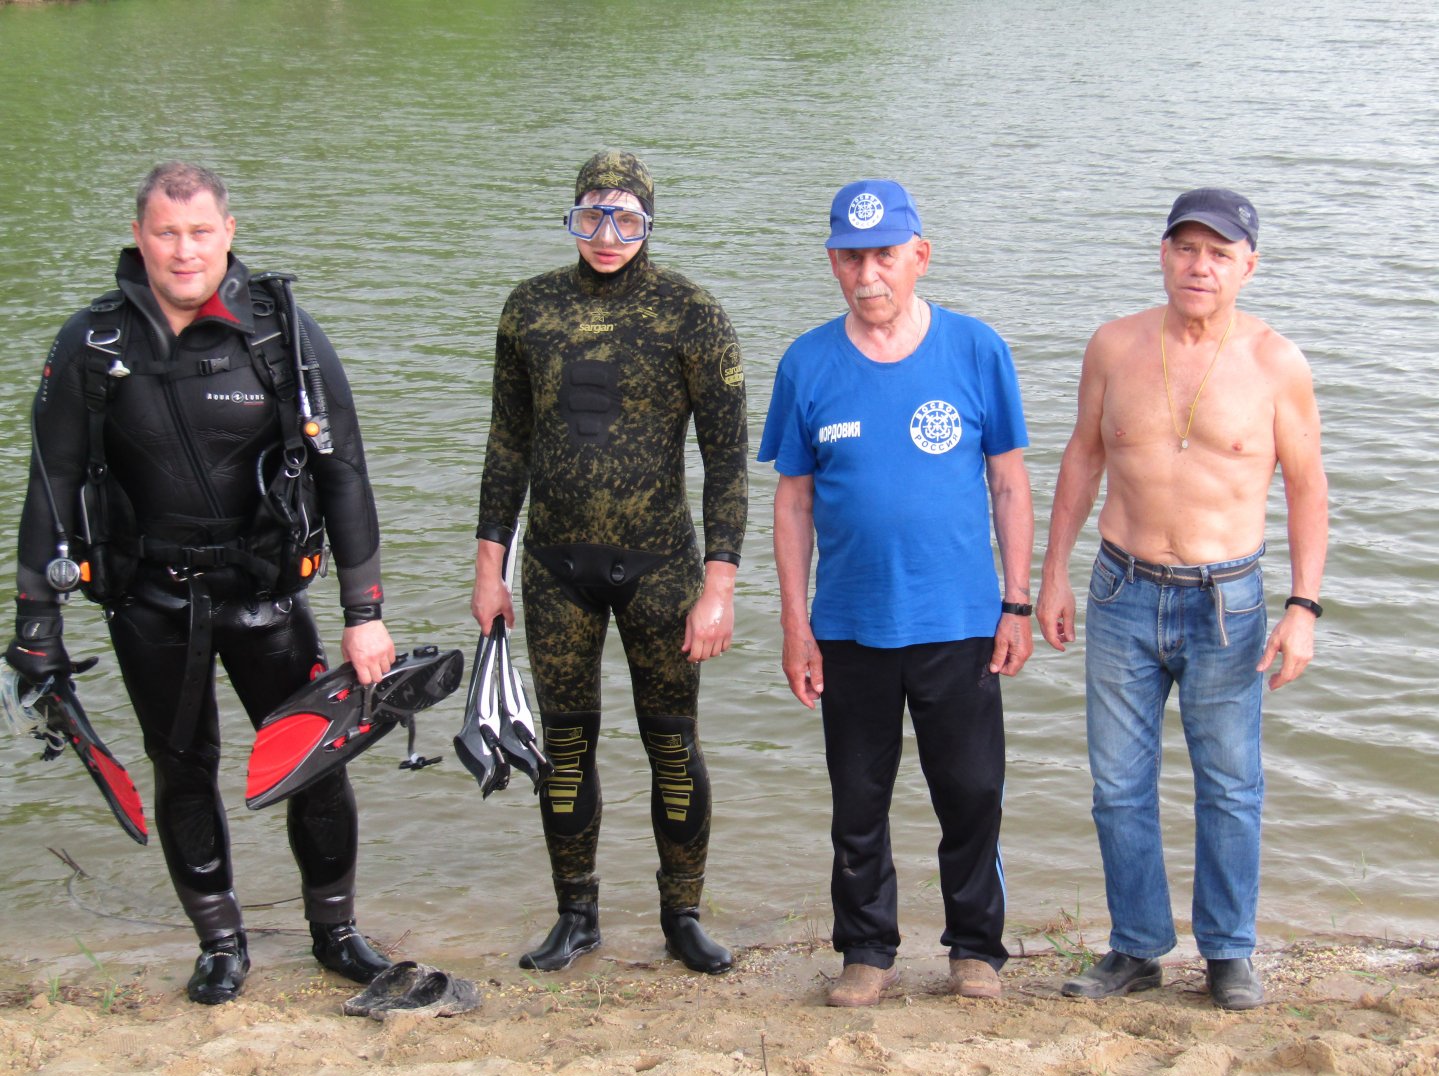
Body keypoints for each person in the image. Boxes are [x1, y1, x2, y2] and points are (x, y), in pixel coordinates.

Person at [5, 162, 398, 1005]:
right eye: (166, 233)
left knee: (315, 765)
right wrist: (35, 625)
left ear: (227, 233)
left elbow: (344, 474)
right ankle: (220, 942)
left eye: (199, 232)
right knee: (182, 769)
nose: (184, 251)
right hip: (148, 600)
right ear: (139, 237)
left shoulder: (282, 333)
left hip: (265, 597)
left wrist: (364, 611)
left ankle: (335, 931)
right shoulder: (91, 343)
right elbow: (51, 482)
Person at [1037, 188, 1328, 1010]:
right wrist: (1051, 574)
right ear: (1163, 253)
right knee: (1116, 786)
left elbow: (1306, 487)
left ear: (1247, 266)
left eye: (1219, 253)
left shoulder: (1274, 362)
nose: (1199, 266)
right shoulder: (1114, 345)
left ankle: (1228, 952)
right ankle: (1135, 947)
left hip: (1225, 601)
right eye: (1185, 248)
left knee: (1230, 785)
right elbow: (1083, 457)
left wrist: (1302, 607)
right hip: (1120, 588)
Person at [471, 150, 748, 975]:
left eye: (625, 218)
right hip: (554, 568)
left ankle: (681, 915)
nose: (605, 234)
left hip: (661, 568)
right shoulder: (529, 308)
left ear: (648, 223)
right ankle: (576, 914)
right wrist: (488, 569)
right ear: (572, 215)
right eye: (591, 214)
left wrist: (719, 587)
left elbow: (727, 461)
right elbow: (505, 446)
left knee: (672, 744)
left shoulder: (691, 313)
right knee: (565, 747)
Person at [759, 179, 1034, 1007]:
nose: (867, 273)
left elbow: (1009, 484)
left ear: (920, 255)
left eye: (884, 254)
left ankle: (975, 948)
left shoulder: (975, 349)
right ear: (831, 263)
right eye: (850, 257)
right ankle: (866, 950)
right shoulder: (806, 363)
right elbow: (793, 502)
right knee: (857, 801)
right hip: (849, 624)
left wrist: (1016, 602)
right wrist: (795, 625)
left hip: (960, 620)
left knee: (971, 793)